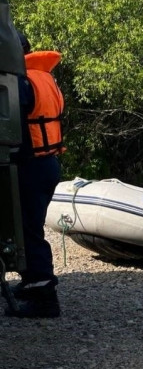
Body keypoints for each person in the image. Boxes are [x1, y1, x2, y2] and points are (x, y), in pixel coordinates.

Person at [6, 31, 65, 318]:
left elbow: (11, 120)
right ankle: (31, 283)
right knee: (30, 228)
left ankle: (45, 300)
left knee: (29, 232)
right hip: (47, 163)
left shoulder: (22, 82)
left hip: (31, 166)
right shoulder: (43, 76)